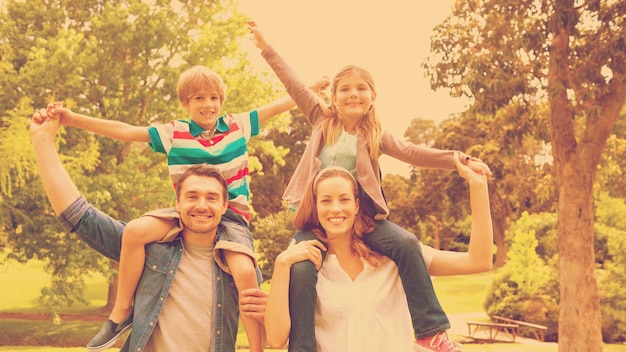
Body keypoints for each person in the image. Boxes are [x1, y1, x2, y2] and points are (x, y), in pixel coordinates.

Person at [247, 21, 493, 352]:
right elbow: (292, 83)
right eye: (345, 88)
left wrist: (456, 158)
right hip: (315, 219)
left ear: (372, 96)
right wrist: (265, 47)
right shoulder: (322, 120)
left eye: (361, 88)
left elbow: (412, 152)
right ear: (332, 96)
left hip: (361, 217)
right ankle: (302, 347)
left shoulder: (374, 135)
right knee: (302, 269)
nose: (353, 94)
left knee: (406, 243)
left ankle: (430, 330)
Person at [45, 66, 328, 351]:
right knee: (135, 230)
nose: (209, 105)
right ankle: (120, 312)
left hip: (232, 219)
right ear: (185, 103)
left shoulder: (236, 125)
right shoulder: (173, 133)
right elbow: (126, 131)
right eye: (199, 98)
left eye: (215, 98)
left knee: (245, 272)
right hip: (186, 215)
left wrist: (311, 88)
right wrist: (72, 119)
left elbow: (278, 105)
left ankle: (256, 348)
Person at [29, 112, 269, 352]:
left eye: (212, 198)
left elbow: (271, 332)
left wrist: (271, 310)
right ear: (177, 203)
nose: (202, 205)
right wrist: (42, 140)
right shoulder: (150, 249)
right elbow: (79, 215)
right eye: (192, 196)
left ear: (225, 206)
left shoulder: (238, 265)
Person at [265, 162, 492, 352]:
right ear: (315, 207)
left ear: (356, 206)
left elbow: (478, 261)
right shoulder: (305, 266)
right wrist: (282, 264)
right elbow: (276, 340)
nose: (335, 208)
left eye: (344, 199)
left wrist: (478, 186)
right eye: (325, 200)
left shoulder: (398, 257)